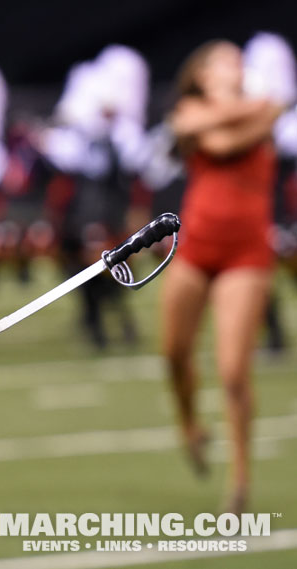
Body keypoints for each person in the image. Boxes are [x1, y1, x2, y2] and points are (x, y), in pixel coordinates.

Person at [161, 40, 281, 514]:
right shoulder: (197, 108)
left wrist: (227, 114)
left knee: (233, 369)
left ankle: (240, 478)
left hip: (247, 252)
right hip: (196, 246)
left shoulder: (263, 108)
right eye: (222, 61)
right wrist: (234, 113)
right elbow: (205, 134)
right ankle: (190, 422)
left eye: (238, 61)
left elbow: (223, 138)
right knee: (173, 354)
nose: (234, 67)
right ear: (202, 74)